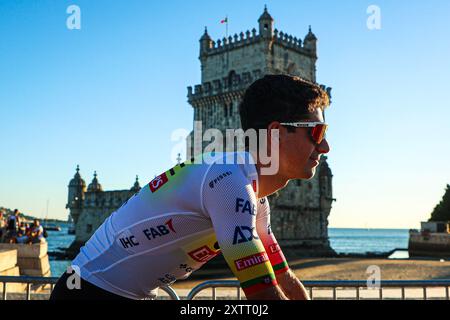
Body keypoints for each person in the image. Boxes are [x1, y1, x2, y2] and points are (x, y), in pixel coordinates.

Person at [50, 75, 330, 300]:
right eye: (316, 132)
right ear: (276, 133)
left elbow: (285, 279)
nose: (325, 146)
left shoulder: (255, 199)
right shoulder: (229, 181)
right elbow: (263, 292)